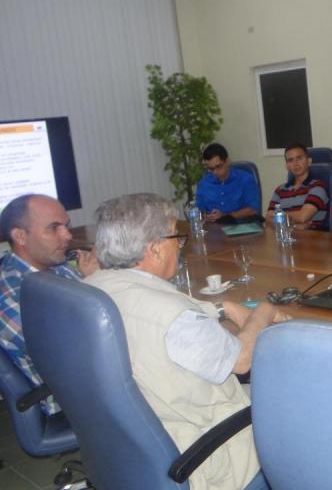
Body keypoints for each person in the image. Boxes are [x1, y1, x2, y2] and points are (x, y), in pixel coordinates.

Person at [85, 193, 283, 490]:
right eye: (176, 238)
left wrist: (223, 307)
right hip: (209, 453)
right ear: (155, 250)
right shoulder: (174, 319)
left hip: (135, 442)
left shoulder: (93, 288)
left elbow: (157, 308)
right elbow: (242, 360)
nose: (179, 246)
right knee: (301, 393)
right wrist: (264, 313)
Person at [0, 194, 98, 415]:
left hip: (95, 374)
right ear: (20, 236)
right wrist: (94, 283)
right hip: (72, 395)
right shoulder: (10, 296)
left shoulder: (54, 266)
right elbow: (72, 352)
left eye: (66, 226)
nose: (68, 235)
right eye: (54, 228)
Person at [266, 142, 329, 229]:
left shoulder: (318, 187)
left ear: (309, 161)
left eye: (299, 158)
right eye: (290, 160)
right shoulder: (280, 190)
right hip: (285, 238)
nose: (295, 163)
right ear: (287, 166)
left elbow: (302, 217)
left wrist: (278, 216)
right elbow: (268, 219)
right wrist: (295, 225)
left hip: (312, 239)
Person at [196, 143, 261, 223]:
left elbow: (253, 209)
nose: (215, 172)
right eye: (211, 169)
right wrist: (205, 216)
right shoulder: (204, 183)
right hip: (213, 229)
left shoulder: (245, 179)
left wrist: (225, 215)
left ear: (227, 161)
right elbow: (199, 210)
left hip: (240, 227)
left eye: (218, 166)